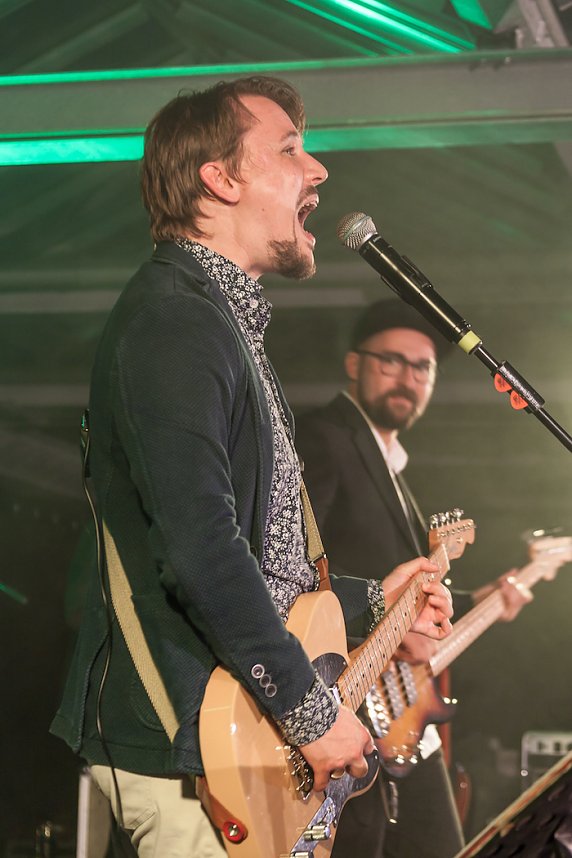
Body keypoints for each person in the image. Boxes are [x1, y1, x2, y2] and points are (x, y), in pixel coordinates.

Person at [50, 77, 454, 858]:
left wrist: (378, 600)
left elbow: (268, 568)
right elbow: (200, 554)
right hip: (194, 748)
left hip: (232, 748)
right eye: (290, 148)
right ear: (220, 178)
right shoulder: (175, 321)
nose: (319, 170)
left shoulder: (220, 323)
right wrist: (311, 714)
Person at [295, 297, 531, 858]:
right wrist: (371, 624)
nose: (408, 378)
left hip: (400, 714)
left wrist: (481, 599)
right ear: (354, 365)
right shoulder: (326, 439)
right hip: (344, 703)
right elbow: (293, 567)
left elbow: (408, 596)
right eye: (391, 361)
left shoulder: (394, 467)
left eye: (422, 367)